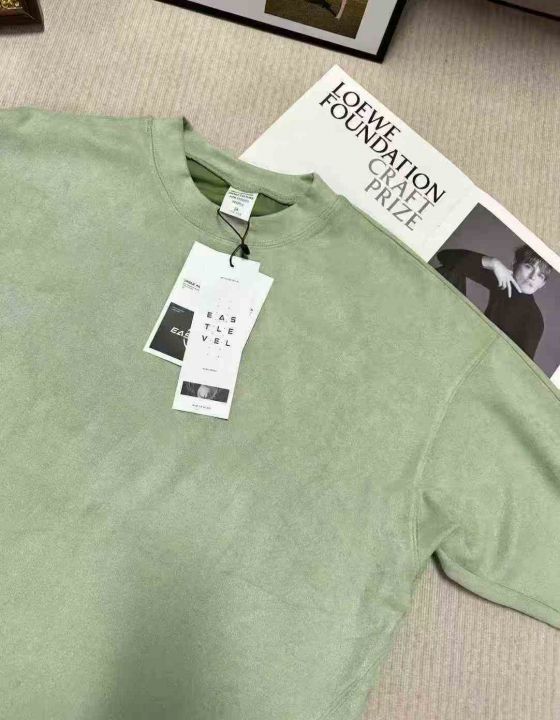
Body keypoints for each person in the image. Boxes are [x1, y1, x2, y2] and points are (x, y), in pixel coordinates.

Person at [435, 244, 552, 360]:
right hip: (461, 336)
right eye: (528, 267)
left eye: (540, 275)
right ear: (515, 264)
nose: (532, 277)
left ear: (542, 284)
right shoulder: (503, 282)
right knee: (451, 271)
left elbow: (520, 366)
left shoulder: (535, 319)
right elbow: (445, 257)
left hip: (481, 358)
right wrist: (493, 263)